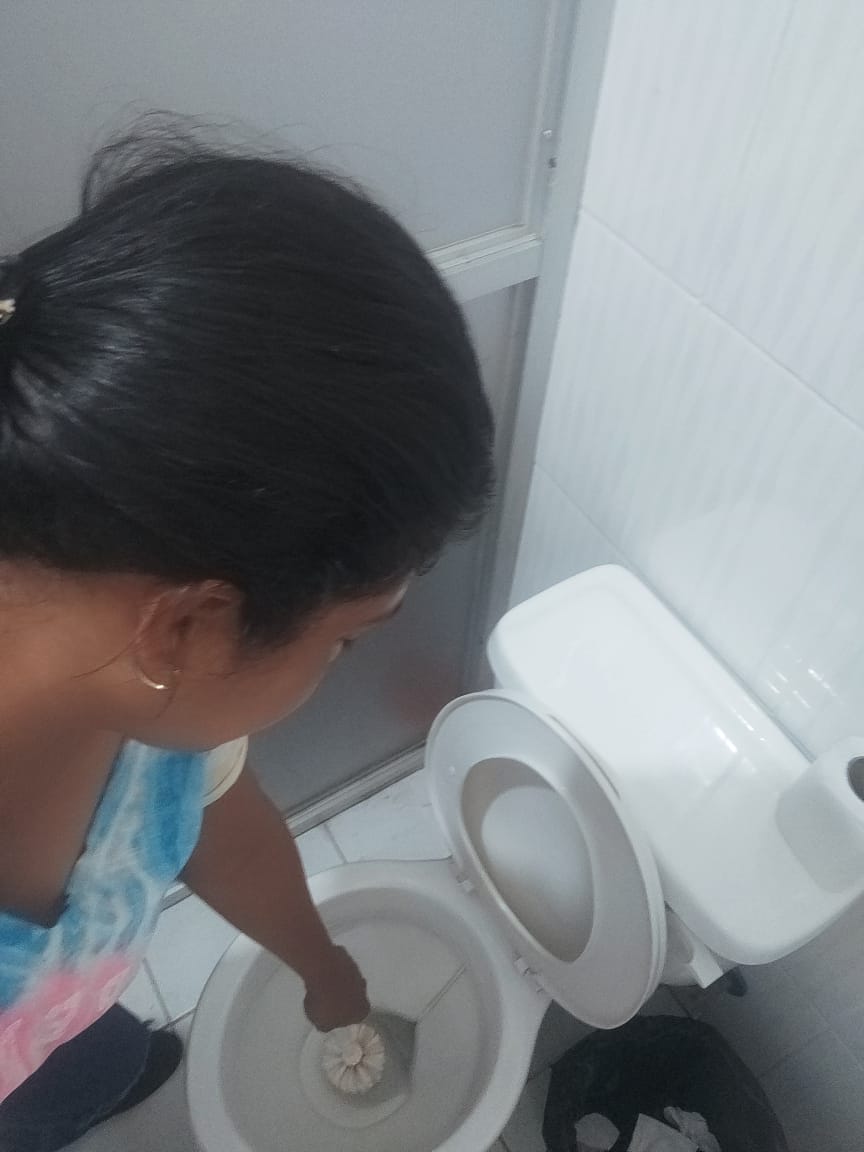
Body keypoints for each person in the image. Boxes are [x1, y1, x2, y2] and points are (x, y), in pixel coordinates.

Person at [0, 125, 493, 1151]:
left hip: (55, 1014)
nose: (340, 667)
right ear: (190, 628)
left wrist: (321, 962)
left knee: (86, 1057)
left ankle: (96, 1063)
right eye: (348, 641)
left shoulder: (122, 638)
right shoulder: (139, 636)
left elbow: (211, 811)